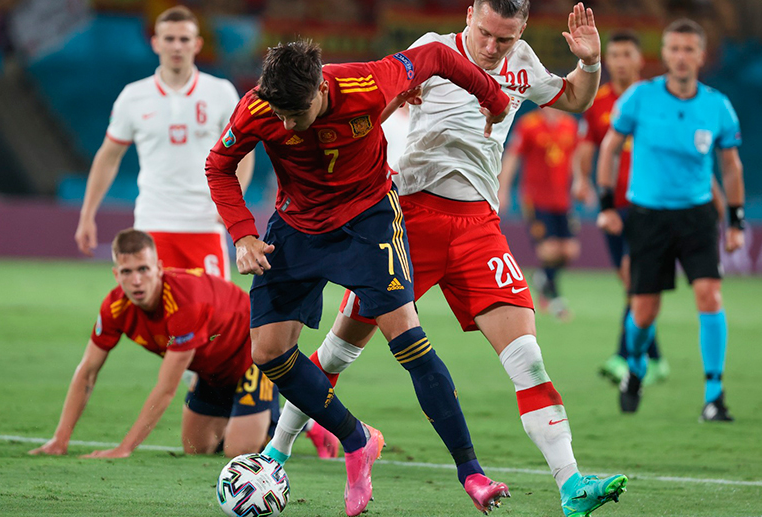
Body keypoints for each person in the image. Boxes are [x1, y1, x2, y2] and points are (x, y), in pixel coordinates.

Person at [263, 2, 628, 516]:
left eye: (505, 38)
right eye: (485, 33)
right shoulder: (429, 52)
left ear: (521, 30)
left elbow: (573, 99)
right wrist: (393, 113)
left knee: (528, 357)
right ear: (470, 14)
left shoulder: (522, 61)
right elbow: (368, 112)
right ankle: (275, 453)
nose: (492, 47)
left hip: (479, 227)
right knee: (342, 349)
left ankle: (571, 485)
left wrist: (589, 65)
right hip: (407, 220)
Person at [205, 37, 514, 516]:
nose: (285, 125)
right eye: (279, 114)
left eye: (295, 114)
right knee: (266, 352)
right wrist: (243, 235)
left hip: (367, 222)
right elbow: (219, 165)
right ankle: (357, 439)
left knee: (408, 341)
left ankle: (471, 471)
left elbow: (433, 57)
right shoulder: (258, 108)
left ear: (321, 90)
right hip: (296, 226)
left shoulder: (366, 81)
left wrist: (491, 96)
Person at [596, 19, 745, 420]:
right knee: (643, 311)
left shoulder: (718, 106)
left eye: (688, 49)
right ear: (663, 54)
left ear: (701, 55)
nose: (681, 57)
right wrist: (607, 204)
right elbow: (609, 148)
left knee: (709, 295)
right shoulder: (639, 99)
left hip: (696, 216)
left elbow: (730, 167)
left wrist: (735, 221)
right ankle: (637, 366)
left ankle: (714, 395)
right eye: (674, 49)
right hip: (648, 217)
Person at [29, 229, 278, 458]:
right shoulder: (115, 307)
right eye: (127, 272)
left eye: (143, 269)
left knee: (237, 452)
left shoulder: (183, 303)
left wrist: (124, 448)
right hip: (211, 369)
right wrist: (60, 441)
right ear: (116, 274)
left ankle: (286, 421)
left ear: (159, 268)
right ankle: (245, 415)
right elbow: (87, 372)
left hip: (253, 355)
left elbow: (167, 388)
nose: (136, 281)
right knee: (196, 448)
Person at [74, 6, 254, 279]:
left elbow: (244, 153)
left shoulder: (220, 92)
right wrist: (87, 215)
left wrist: (229, 206)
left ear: (197, 44)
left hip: (205, 223)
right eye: (169, 39)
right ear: (155, 42)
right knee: (156, 313)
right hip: (153, 222)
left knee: (211, 314)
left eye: (184, 39)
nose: (177, 46)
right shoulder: (133, 96)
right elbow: (108, 157)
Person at [572, 30, 670, 385]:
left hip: (650, 204)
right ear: (608, 60)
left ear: (639, 59)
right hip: (613, 206)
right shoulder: (598, 102)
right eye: (614, 55)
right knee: (631, 284)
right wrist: (581, 181)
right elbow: (586, 147)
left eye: (627, 54)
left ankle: (624, 356)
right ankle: (655, 357)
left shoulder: (657, 99)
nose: (620, 61)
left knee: (634, 278)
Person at [499, 106, 581, 321]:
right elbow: (512, 156)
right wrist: (503, 189)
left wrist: (581, 182)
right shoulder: (529, 124)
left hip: (562, 200)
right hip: (535, 200)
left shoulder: (570, 124)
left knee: (570, 250)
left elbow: (575, 157)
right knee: (550, 249)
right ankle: (554, 297)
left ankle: (542, 277)